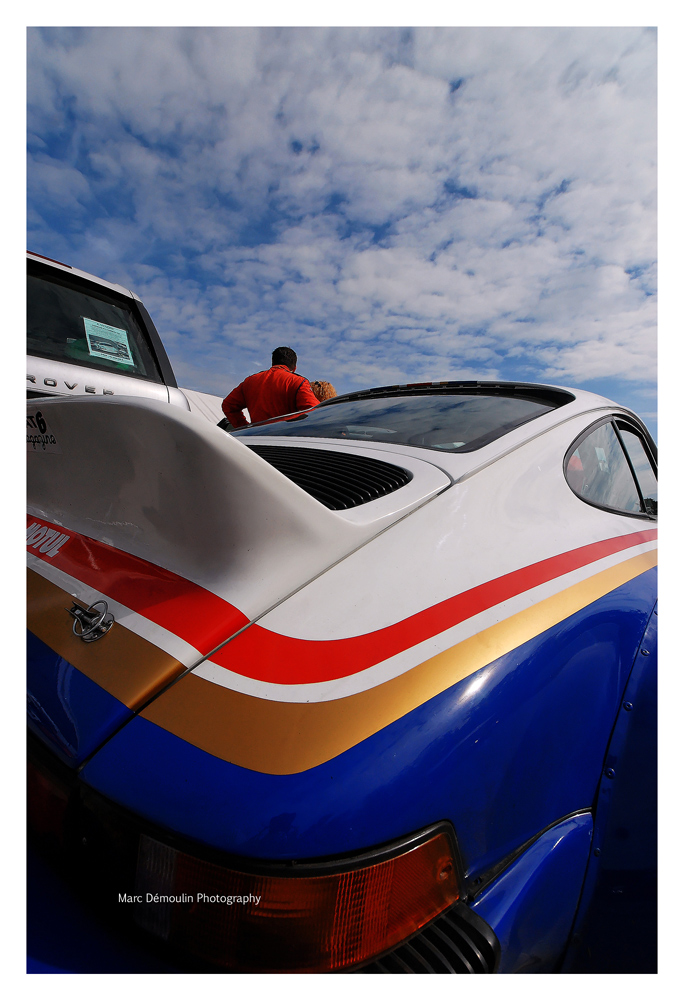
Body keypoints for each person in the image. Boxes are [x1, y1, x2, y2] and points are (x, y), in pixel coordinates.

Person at [221, 347, 320, 428]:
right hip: (285, 441)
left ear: (273, 362)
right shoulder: (298, 381)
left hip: (257, 441)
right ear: (294, 368)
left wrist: (245, 428)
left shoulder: (249, 381)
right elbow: (315, 413)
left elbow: (228, 405)